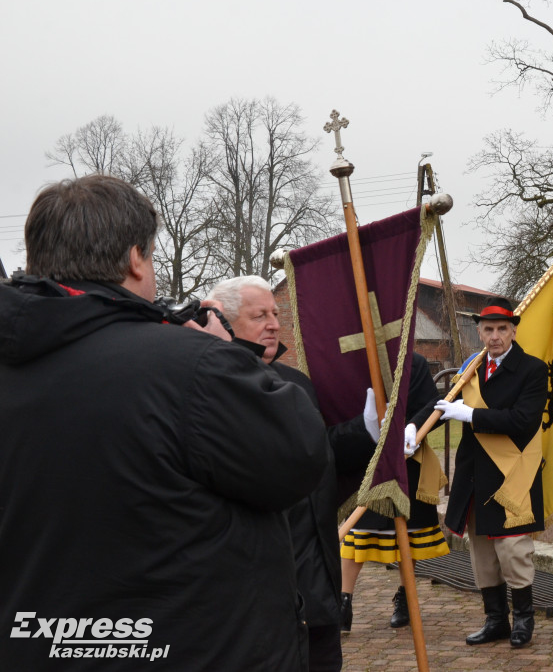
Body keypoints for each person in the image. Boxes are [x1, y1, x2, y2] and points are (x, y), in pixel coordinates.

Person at [0, 175, 328, 671]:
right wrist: (225, 357)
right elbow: (297, 455)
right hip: (193, 647)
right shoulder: (194, 367)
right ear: (135, 258)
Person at [208, 275, 379, 672]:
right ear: (226, 323)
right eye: (259, 316)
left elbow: (315, 453)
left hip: (316, 575)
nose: (273, 324)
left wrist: (368, 428)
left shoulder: (296, 384)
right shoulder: (215, 388)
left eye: (275, 313)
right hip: (257, 587)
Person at [413, 296, 547, 648]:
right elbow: (441, 405)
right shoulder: (471, 366)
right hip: (475, 474)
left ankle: (523, 620)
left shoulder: (533, 369)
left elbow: (523, 421)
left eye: (502, 329)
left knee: (513, 550)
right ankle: (495, 620)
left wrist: (472, 416)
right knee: (482, 553)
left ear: (514, 331)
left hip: (510, 473)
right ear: (480, 331)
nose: (495, 336)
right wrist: (414, 427)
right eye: (488, 329)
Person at [338, 351, 449, 630]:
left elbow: (433, 407)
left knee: (406, 538)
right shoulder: (356, 359)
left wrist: (412, 426)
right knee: (358, 535)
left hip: (407, 460)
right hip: (368, 460)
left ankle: (405, 597)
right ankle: (342, 602)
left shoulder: (416, 362)